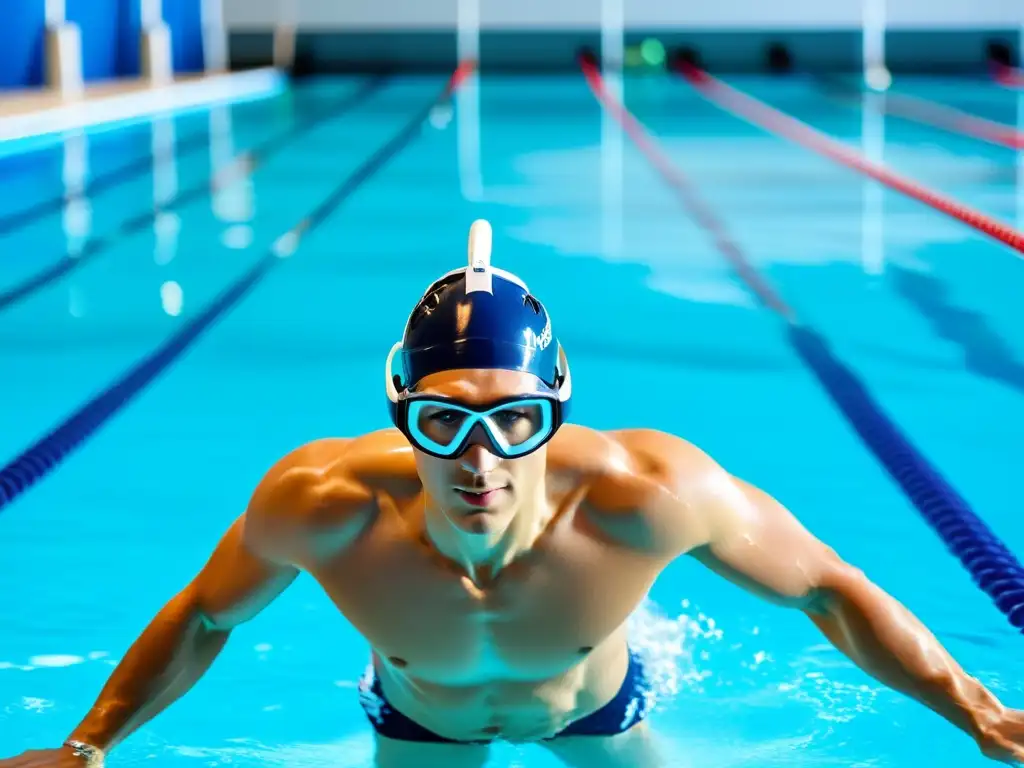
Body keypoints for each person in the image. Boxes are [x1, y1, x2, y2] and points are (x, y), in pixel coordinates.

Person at [4, 220, 1023, 768]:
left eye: (514, 422)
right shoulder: (321, 504)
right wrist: (88, 747)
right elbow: (200, 614)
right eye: (442, 423)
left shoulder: (646, 493)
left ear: (558, 410)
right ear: (398, 411)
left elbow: (828, 590)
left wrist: (979, 716)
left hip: (597, 710)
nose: (479, 461)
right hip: (417, 725)